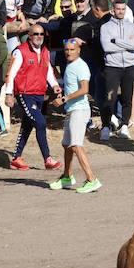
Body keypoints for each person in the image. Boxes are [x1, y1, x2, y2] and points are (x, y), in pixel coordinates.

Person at [2, 22, 60, 170]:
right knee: (40, 122)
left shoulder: (45, 51)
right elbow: (11, 74)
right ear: (29, 35)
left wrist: (54, 85)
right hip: (25, 94)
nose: (39, 37)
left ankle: (16, 158)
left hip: (40, 94)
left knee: (27, 126)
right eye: (35, 34)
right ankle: (48, 159)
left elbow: (48, 72)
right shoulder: (20, 51)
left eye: (41, 34)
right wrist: (9, 93)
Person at [46, 38, 99, 192]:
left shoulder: (81, 66)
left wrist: (65, 98)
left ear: (78, 50)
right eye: (67, 50)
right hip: (71, 109)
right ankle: (67, 177)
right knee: (66, 144)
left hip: (79, 110)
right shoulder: (70, 65)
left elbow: (84, 89)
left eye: (72, 49)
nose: (68, 52)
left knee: (76, 145)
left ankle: (92, 179)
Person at [99, 0, 134, 141]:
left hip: (129, 66)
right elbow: (107, 47)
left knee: (127, 97)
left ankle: (124, 126)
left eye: (123, 9)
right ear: (112, 10)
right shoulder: (106, 27)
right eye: (118, 9)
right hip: (112, 67)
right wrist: (126, 44)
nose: (121, 12)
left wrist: (116, 41)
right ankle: (105, 126)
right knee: (110, 97)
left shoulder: (132, 26)